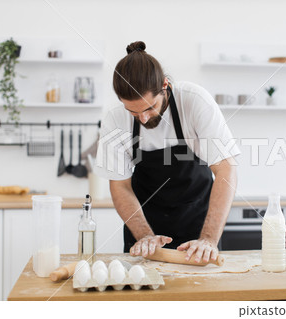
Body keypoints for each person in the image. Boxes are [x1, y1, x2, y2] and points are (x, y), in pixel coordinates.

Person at [95, 41, 240, 263]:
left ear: (165, 86)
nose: (142, 119)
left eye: (149, 108)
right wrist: (144, 235)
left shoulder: (194, 102)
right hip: (144, 225)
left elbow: (226, 171)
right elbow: (120, 184)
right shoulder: (115, 120)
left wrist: (209, 239)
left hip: (198, 221)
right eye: (133, 112)